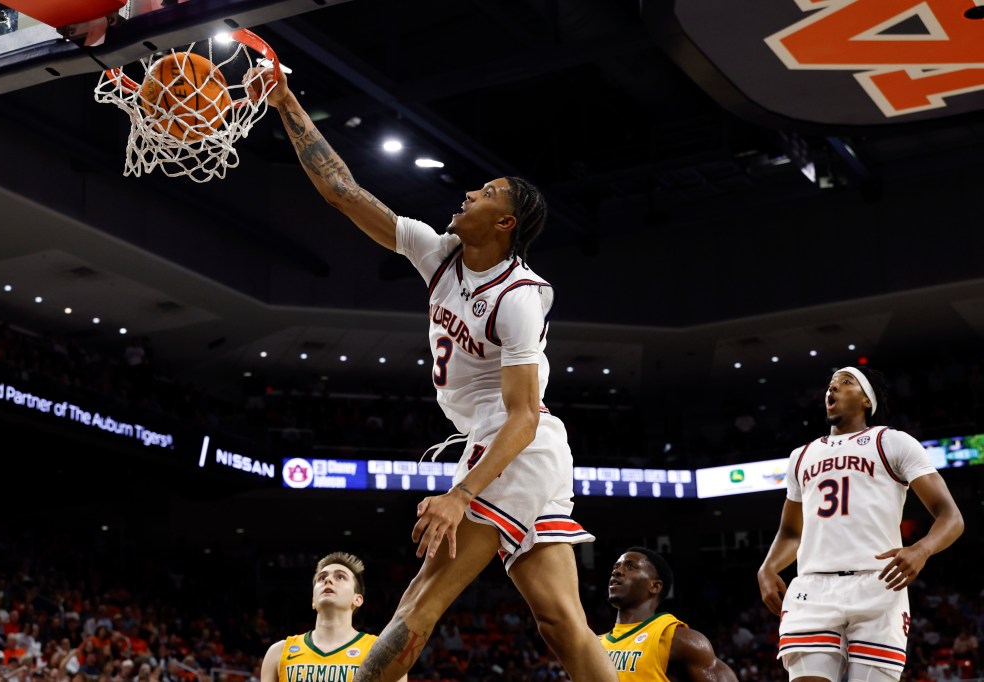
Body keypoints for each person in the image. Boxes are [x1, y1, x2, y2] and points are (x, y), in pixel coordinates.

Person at [252, 67, 619, 682]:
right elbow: (342, 191)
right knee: (561, 623)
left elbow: (524, 413)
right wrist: (285, 101)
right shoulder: (439, 251)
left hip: (512, 443)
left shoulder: (520, 295)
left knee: (418, 603)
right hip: (517, 446)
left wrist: (460, 494)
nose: (470, 194)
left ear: (506, 224)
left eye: (486, 193)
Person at [757, 366, 964, 682]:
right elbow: (790, 530)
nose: (833, 388)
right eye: (830, 384)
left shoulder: (892, 442)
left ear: (867, 400)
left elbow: (950, 516)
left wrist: (922, 549)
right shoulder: (801, 456)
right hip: (813, 588)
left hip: (878, 583)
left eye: (845, 382)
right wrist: (768, 568)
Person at [259, 552, 406, 682]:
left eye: (340, 577)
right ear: (313, 601)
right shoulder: (278, 652)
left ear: (357, 599)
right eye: (322, 577)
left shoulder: (382, 652)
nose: (328, 580)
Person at [602, 547, 738, 682]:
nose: (617, 572)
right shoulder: (596, 644)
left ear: (655, 586)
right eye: (616, 567)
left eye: (630, 567)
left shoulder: (680, 639)